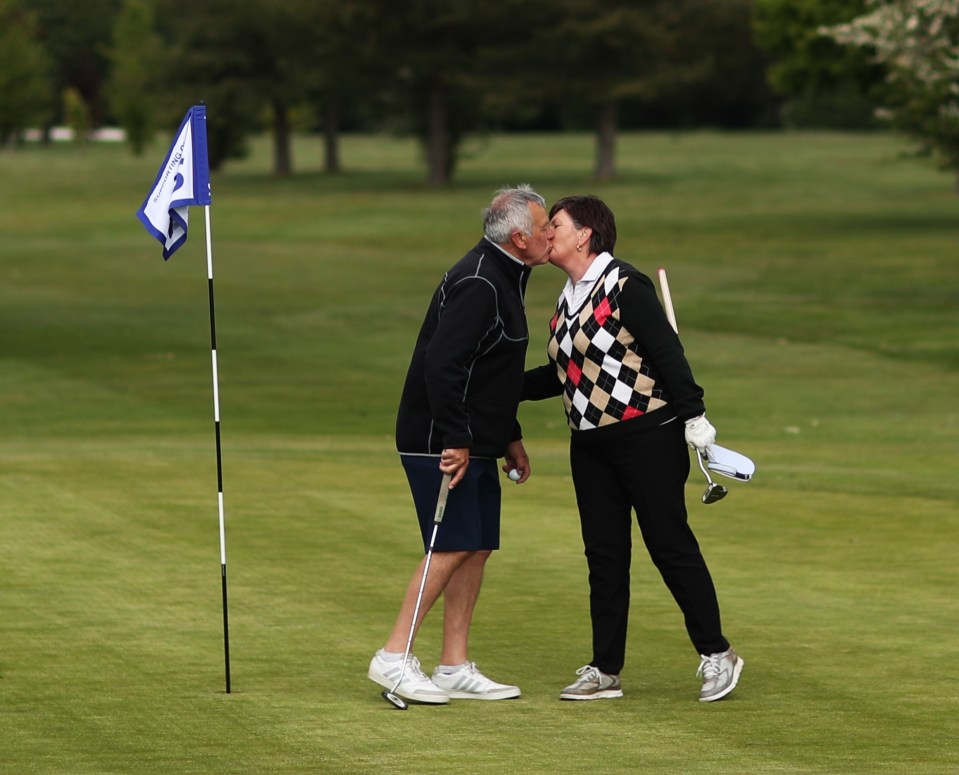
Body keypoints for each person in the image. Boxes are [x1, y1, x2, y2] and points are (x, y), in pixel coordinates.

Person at [523, 195, 743, 702]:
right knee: (604, 555)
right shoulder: (567, 296)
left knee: (668, 544)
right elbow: (563, 375)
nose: (547, 232)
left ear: (585, 234)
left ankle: (717, 653)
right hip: (590, 445)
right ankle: (604, 669)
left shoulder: (625, 284)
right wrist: (494, 387)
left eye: (555, 224)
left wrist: (695, 415)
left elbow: (668, 354)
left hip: (647, 435)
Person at [368, 185, 552, 705]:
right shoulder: (480, 282)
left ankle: (453, 665)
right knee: (449, 544)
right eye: (543, 229)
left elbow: (491, 373)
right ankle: (393, 657)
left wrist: (508, 436)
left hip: (475, 437)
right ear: (519, 238)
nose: (550, 236)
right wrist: (456, 439)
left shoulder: (505, 275)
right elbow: (443, 366)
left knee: (476, 545)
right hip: (439, 439)